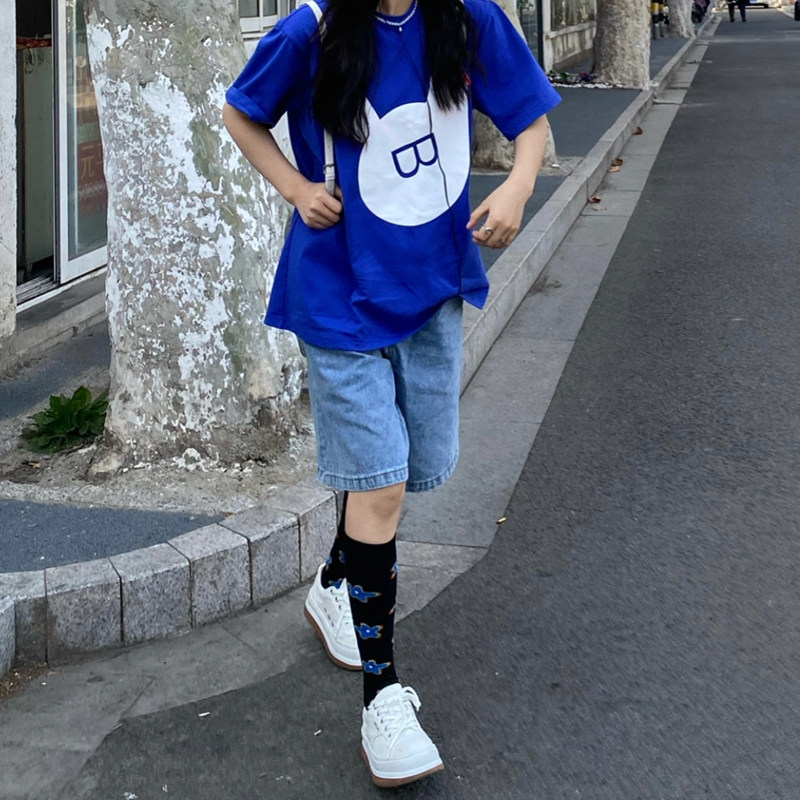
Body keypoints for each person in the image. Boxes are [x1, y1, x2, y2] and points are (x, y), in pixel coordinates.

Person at [223, 0, 560, 787]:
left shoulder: (466, 19)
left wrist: (518, 186)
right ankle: (383, 701)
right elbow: (242, 113)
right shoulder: (310, 30)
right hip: (337, 296)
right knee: (379, 487)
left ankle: (334, 584)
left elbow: (530, 118)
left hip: (432, 287)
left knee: (407, 469)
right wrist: (296, 187)